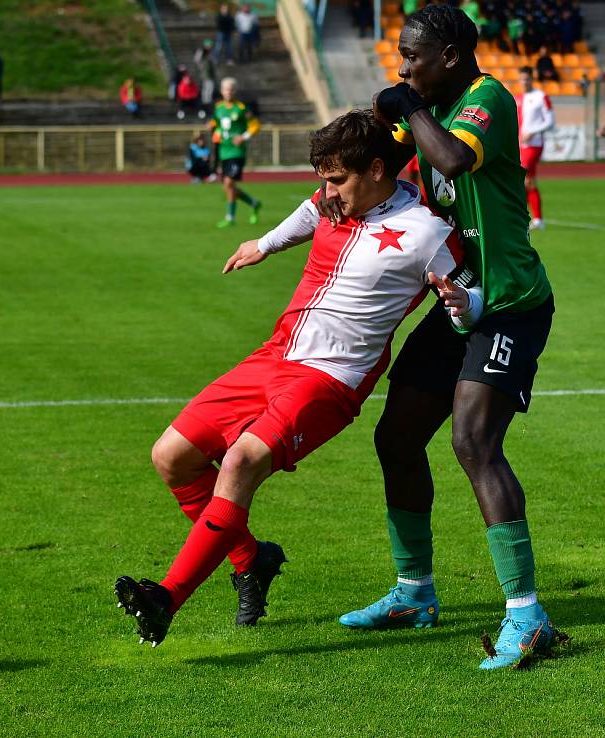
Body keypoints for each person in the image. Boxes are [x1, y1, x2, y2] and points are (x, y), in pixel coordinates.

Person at [114, 109, 480, 648]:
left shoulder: (427, 232)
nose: (326, 191)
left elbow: (469, 290)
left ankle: (166, 598)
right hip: (275, 356)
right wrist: (263, 246)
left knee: (239, 460)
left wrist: (461, 305)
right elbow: (309, 212)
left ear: (378, 169)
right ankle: (251, 560)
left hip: (331, 379)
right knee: (171, 457)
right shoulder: (334, 200)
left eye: (336, 178)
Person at [337, 3, 560, 671]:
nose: (404, 65)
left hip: (512, 305)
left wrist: (406, 104)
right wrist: (351, 161)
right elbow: (389, 141)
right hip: (459, 301)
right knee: (397, 433)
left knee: (473, 440)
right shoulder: (420, 102)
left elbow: (452, 160)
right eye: (401, 54)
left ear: (452, 58)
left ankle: (528, 616)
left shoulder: (486, 97)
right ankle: (413, 593)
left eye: (415, 55)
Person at [210, 77, 261, 228]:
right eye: (226, 89)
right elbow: (216, 124)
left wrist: (243, 137)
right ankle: (253, 203)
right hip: (223, 151)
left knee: (228, 182)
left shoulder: (241, 108)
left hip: (236, 152)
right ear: (222, 91)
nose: (229, 92)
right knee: (228, 186)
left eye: (231, 89)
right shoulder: (218, 107)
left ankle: (230, 217)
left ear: (235, 91)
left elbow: (256, 125)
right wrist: (212, 127)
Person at [515, 66, 554, 231]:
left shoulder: (541, 97)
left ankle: (519, 216)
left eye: (527, 79)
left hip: (534, 144)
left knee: (520, 177)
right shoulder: (517, 98)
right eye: (522, 79)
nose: (524, 82)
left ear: (532, 78)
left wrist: (533, 132)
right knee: (529, 181)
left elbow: (550, 122)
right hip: (520, 145)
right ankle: (538, 219)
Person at [194, 40, 217, 112]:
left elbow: (213, 62)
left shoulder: (210, 53)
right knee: (207, 86)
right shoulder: (201, 52)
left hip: (209, 73)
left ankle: (207, 100)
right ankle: (206, 101)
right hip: (205, 73)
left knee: (210, 86)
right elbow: (197, 60)